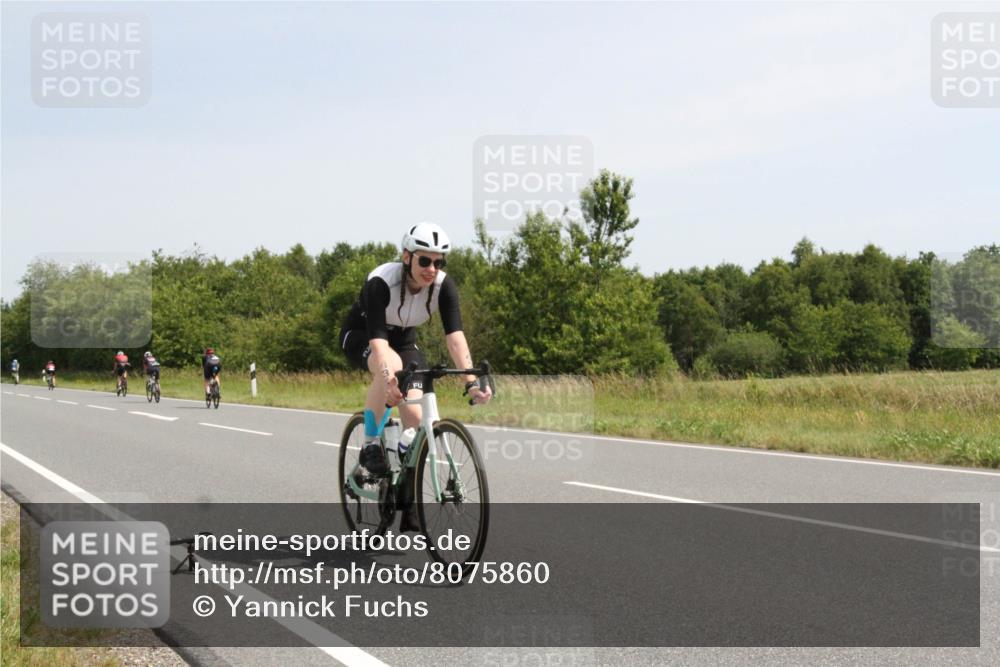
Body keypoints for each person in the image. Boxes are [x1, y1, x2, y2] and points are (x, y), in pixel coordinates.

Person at [339, 223, 492, 531]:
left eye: (439, 262)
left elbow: (455, 337)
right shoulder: (381, 283)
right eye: (425, 260)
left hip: (405, 341)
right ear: (407, 257)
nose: (432, 268)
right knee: (391, 369)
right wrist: (389, 379)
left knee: (415, 420)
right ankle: (371, 444)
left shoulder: (443, 286)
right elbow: (380, 346)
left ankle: (406, 499)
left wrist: (471, 382)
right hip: (363, 335)